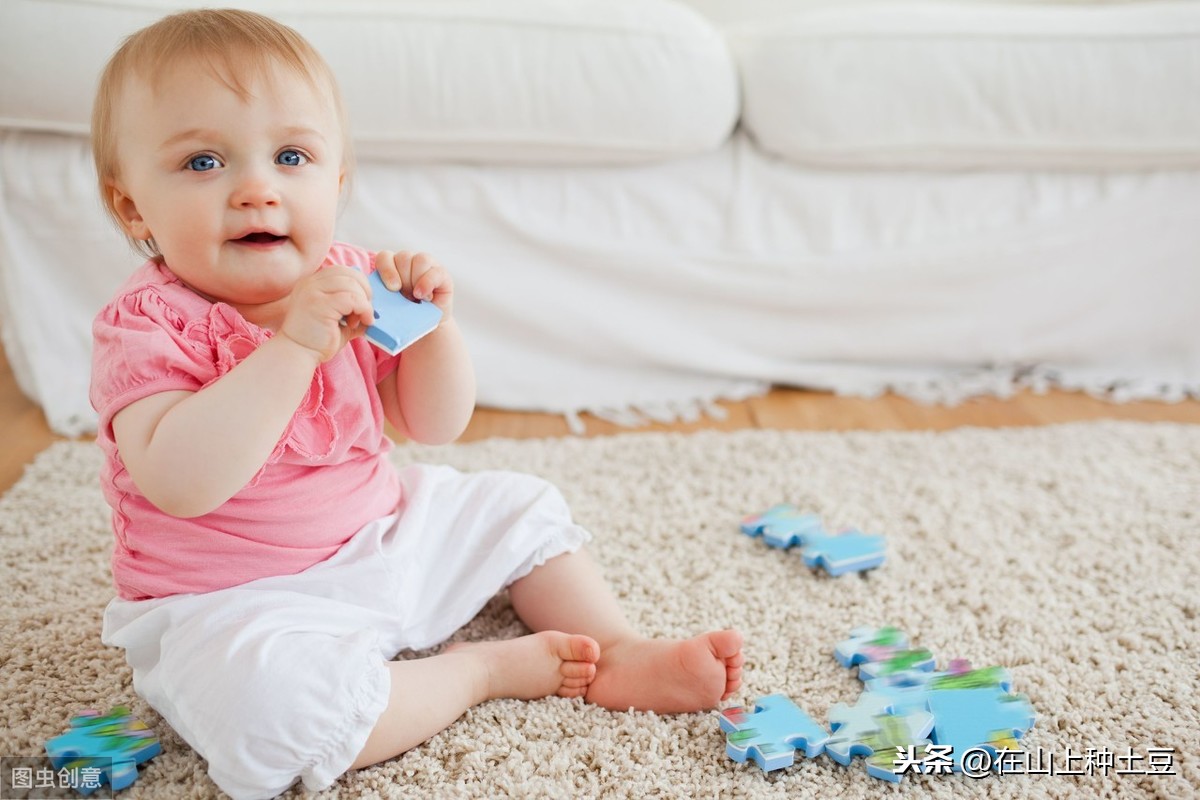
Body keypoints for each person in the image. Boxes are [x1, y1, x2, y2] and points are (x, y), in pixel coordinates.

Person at [88, 9, 743, 799]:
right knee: (273, 720)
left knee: (518, 505)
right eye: (202, 162)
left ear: (333, 182)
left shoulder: (353, 282)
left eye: (290, 156)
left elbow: (435, 425)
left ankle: (615, 646)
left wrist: (434, 330)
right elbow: (181, 480)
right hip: (236, 603)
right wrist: (291, 350)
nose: (257, 189)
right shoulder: (147, 326)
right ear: (133, 210)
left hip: (384, 538)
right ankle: (474, 675)